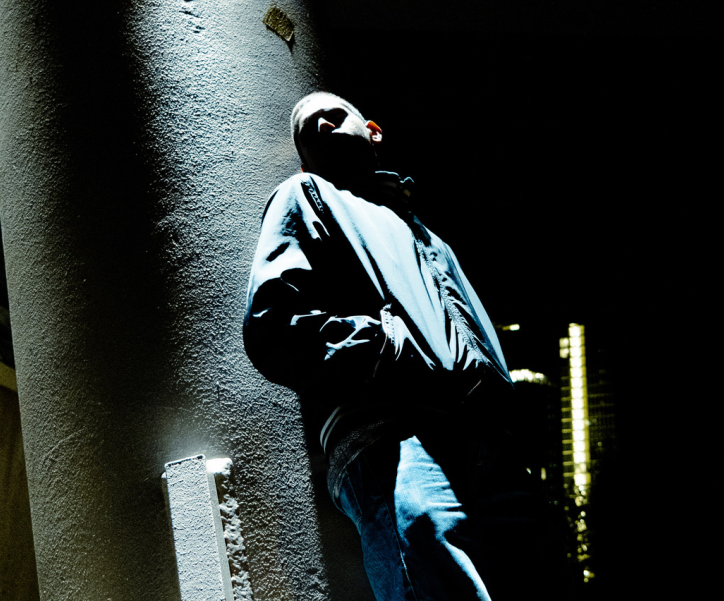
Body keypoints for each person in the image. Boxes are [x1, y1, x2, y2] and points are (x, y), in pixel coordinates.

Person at [243, 92, 572, 600]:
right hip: (394, 433)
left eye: (334, 116)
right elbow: (274, 324)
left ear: (373, 130)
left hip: (488, 444)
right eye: (311, 130)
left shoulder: (431, 239)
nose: (324, 127)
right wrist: (385, 346)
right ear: (306, 159)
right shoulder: (305, 195)